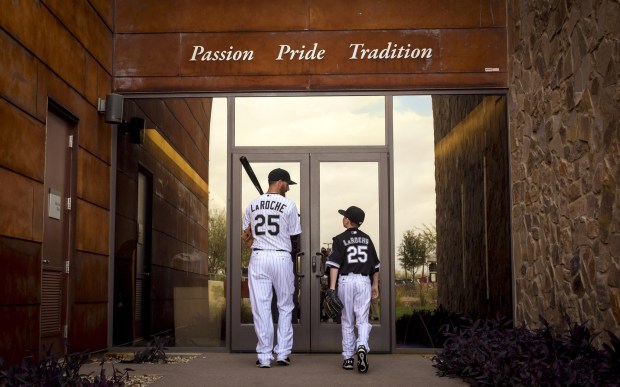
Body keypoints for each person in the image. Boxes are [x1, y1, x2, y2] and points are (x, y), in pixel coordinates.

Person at [242, 168, 302, 368]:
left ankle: (265, 356)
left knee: (261, 309)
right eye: (287, 184)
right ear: (279, 181)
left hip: (258, 256)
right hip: (281, 257)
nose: (288, 187)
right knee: (285, 306)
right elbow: (295, 238)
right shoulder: (289, 205)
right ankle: (283, 353)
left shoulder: (252, 205)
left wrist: (248, 240)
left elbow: (246, 239)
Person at [325, 205, 380, 373]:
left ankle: (348, 358)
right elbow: (375, 266)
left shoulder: (339, 239)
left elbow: (334, 266)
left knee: (347, 320)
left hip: (346, 281)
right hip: (364, 281)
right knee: (362, 319)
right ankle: (362, 346)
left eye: (344, 216)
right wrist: (375, 285)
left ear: (348, 220)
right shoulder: (367, 239)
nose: (343, 218)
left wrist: (332, 288)